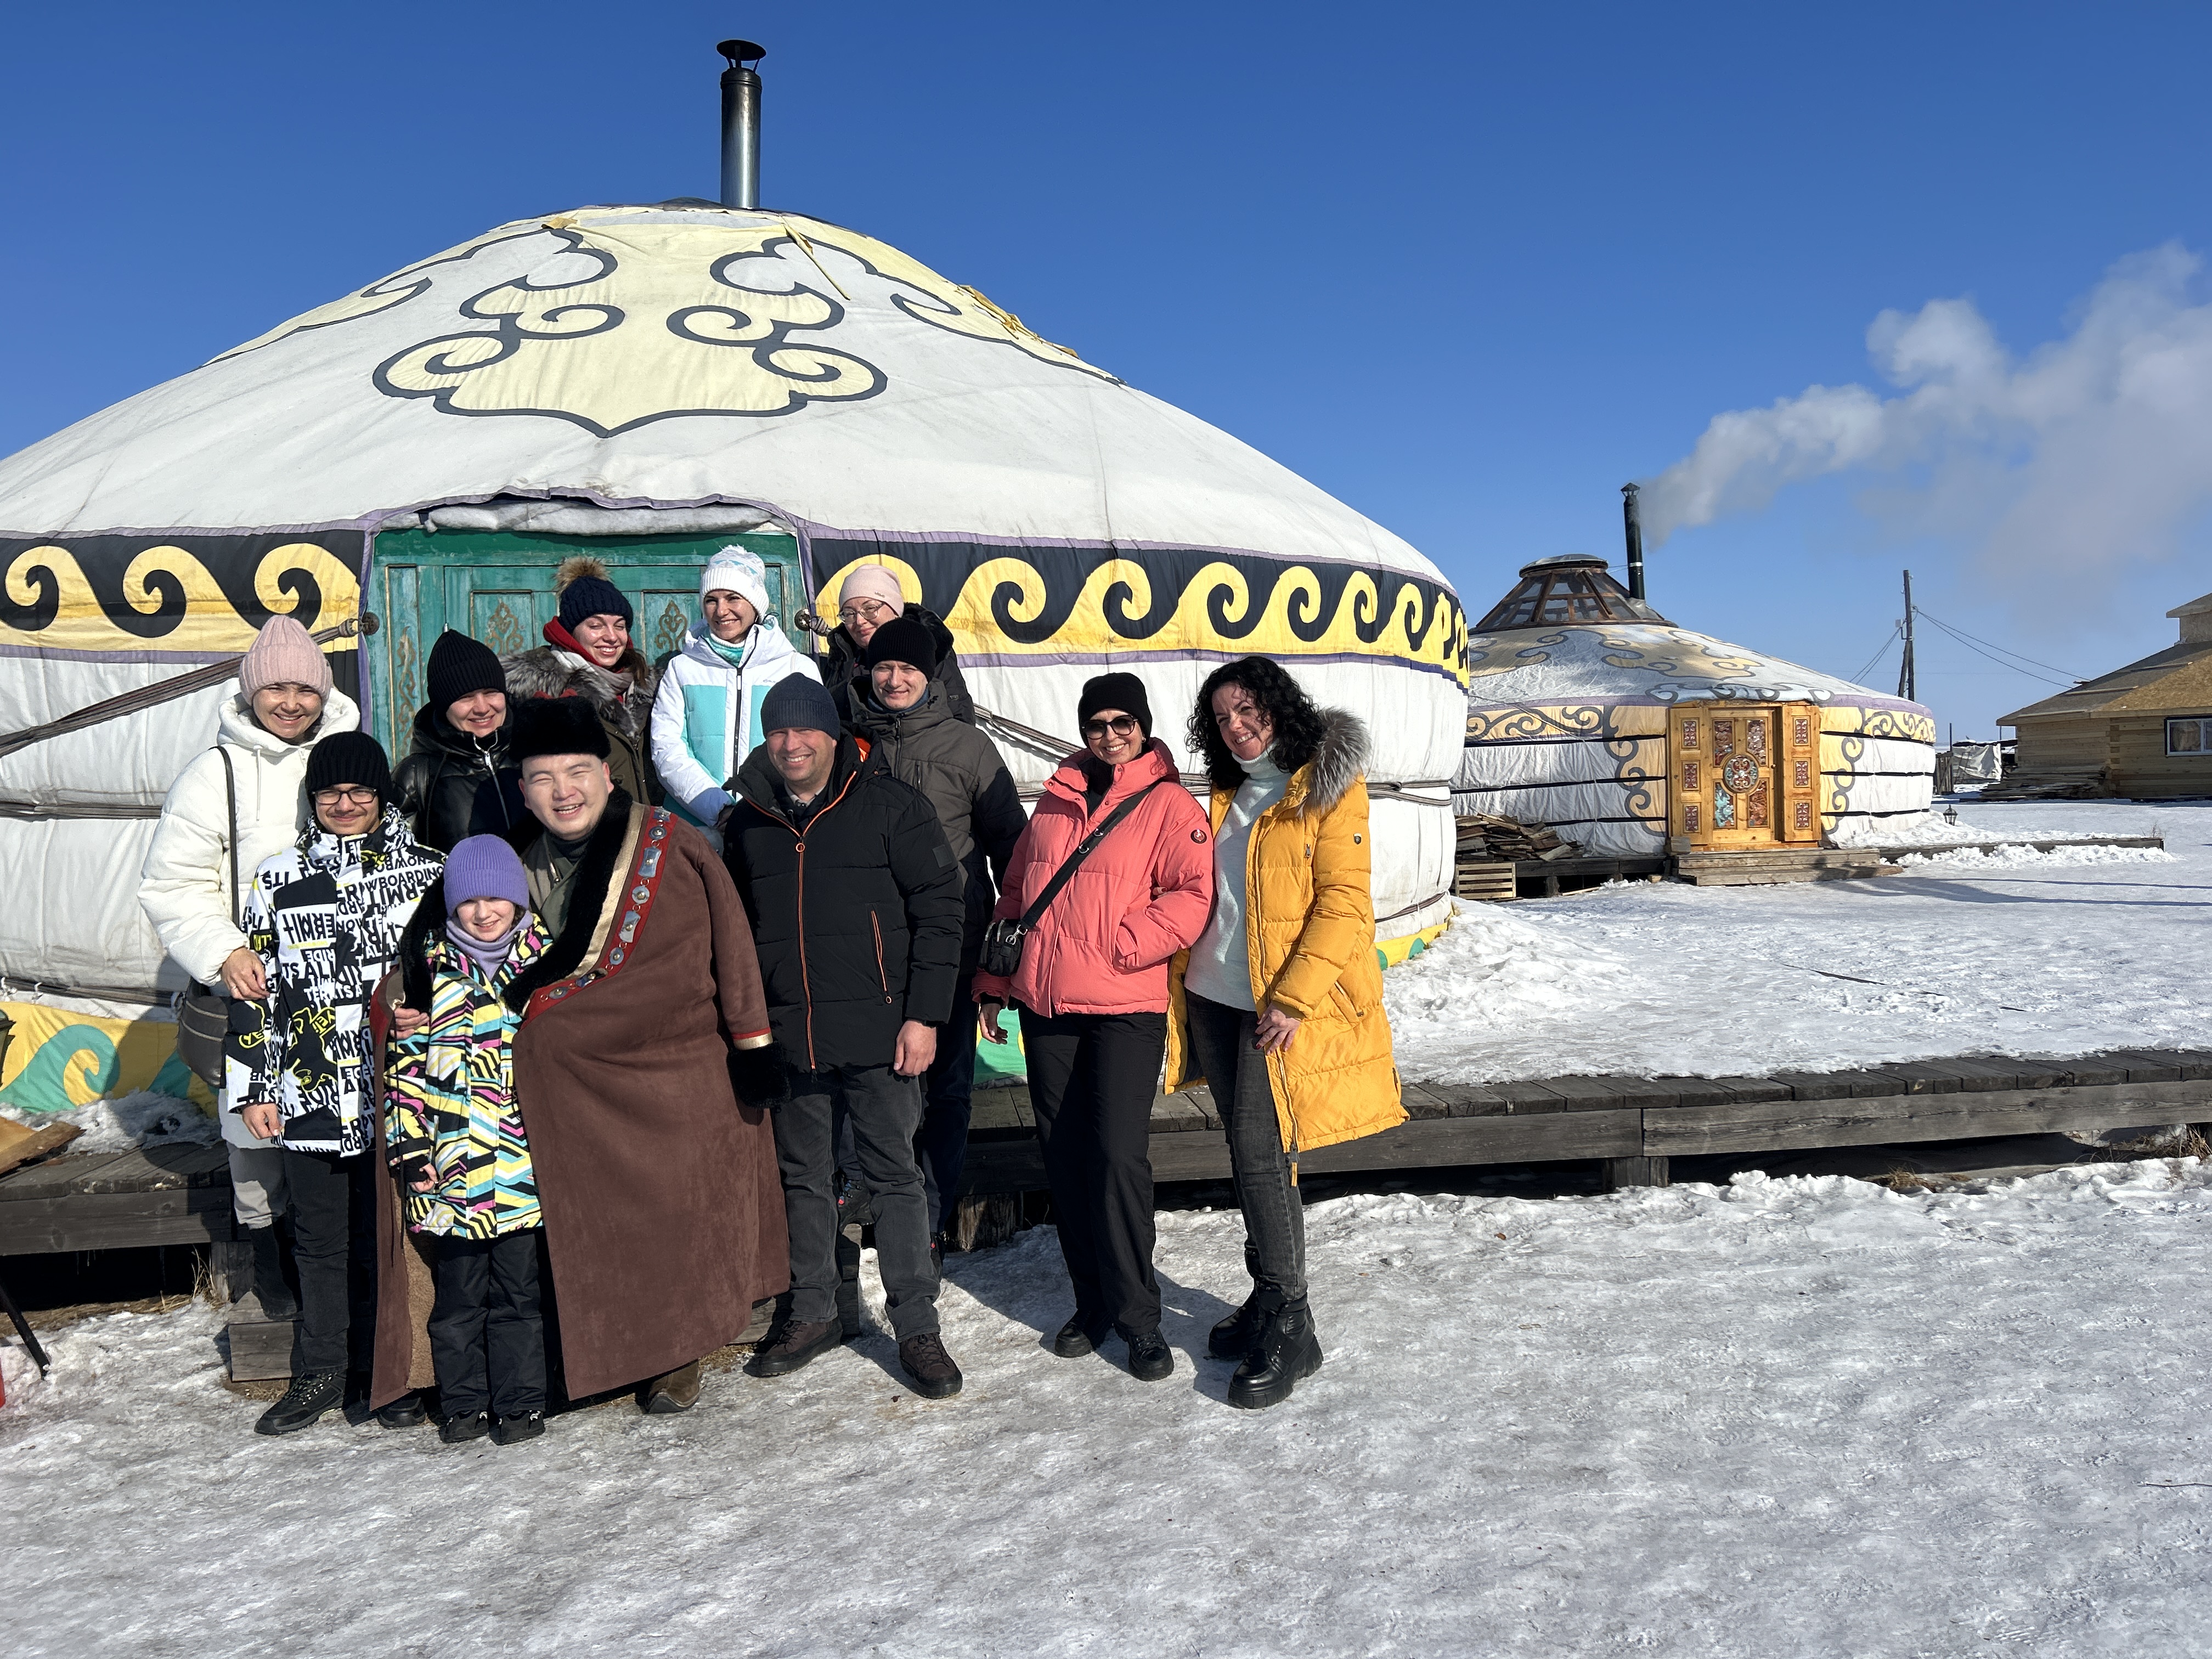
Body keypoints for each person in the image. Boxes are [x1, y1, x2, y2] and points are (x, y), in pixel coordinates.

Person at [373, 697, 787, 1419]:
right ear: (523, 788)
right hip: (552, 1086)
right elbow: (441, 951)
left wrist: (753, 1043)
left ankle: (672, 1352)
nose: (562, 791)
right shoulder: (509, 857)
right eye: (542, 777)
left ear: (606, 773)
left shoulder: (669, 842)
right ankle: (543, 1358)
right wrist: (405, 1002)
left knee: (668, 1204)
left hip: (666, 1068)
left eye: (576, 772)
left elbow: (731, 943)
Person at [1166, 658, 1405, 1410]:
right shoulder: (1226, 791)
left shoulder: (1325, 786)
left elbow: (1343, 904)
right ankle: (1269, 1296)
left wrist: (1294, 1000)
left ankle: (1293, 1321)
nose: (1237, 727)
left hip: (1274, 1008)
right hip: (1212, 995)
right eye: (1222, 718)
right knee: (1248, 1153)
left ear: (1279, 708)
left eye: (1249, 711)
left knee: (1265, 1157)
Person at [721, 675, 969, 1398]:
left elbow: (942, 911)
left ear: (833, 737)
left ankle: (916, 1325)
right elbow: (735, 935)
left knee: (894, 1177)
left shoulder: (892, 806)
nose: (791, 744)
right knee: (802, 1178)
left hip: (882, 1030)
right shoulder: (748, 822)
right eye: (778, 731)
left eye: (805, 730)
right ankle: (815, 1311)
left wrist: (924, 1016)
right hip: (790, 1032)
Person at [973, 672, 1211, 1383]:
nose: (1110, 736)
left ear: (1142, 726)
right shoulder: (1055, 796)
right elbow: (1017, 894)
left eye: (1122, 723)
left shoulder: (1169, 805)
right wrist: (993, 983)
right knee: (1067, 1156)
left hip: (1123, 1008)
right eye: (1097, 724)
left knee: (1116, 1157)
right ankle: (1093, 1303)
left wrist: (1124, 945)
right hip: (1047, 1005)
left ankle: (1140, 1317)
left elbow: (1195, 894)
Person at [140, 616, 361, 1334]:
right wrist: (226, 952)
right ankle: (269, 1258)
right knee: (255, 1139)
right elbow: (172, 884)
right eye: (276, 688)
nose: (291, 703)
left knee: (343, 1126)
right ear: (250, 692)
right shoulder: (216, 774)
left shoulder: (348, 757)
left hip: (337, 985)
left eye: (305, 688)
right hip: (255, 984)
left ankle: (340, 1266)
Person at [224, 731, 444, 1435]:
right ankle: (322, 1369)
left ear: (383, 796)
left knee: (392, 1238)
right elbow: (255, 996)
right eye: (329, 793)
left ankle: (393, 1370)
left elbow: (455, 977)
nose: (344, 805)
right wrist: (255, 1089)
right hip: (309, 1091)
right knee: (319, 1240)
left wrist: (429, 1015)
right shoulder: (276, 880)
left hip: (399, 1092)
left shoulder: (429, 874)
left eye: (359, 792)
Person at [847, 615, 1026, 1252]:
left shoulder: (968, 748)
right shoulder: (849, 745)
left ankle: (926, 1220)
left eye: (908, 669)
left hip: (953, 940)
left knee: (946, 1087)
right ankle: (882, 1204)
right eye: (884, 667)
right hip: (871, 944)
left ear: (930, 676)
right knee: (879, 1084)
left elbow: (1011, 847)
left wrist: (1007, 940)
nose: (894, 680)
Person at [386, 836, 553, 1447]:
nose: (484, 913)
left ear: (517, 900)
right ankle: (462, 1404)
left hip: (520, 1172)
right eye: (469, 901)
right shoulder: (427, 973)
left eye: (496, 899)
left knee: (519, 1297)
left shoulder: (545, 968)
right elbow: (404, 1073)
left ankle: (521, 1403)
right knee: (457, 1301)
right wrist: (410, 1151)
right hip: (450, 1172)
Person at [651, 544, 820, 848]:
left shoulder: (795, 668)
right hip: (693, 829)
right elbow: (667, 748)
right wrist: (719, 809)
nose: (721, 611)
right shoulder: (683, 669)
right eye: (711, 600)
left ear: (755, 604)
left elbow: (811, 748)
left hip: (773, 824)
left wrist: (761, 809)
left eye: (733, 598)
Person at [502, 556, 660, 804]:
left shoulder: (646, 684)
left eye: (620, 626)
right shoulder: (541, 691)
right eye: (596, 626)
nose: (612, 637)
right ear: (570, 632)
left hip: (649, 823)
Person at [391, 630, 526, 851]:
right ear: (444, 707)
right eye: (466, 697)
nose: (482, 708)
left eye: (491, 692)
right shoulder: (416, 777)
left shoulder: (534, 751)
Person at [818, 563, 976, 726]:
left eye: (870, 608)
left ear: (894, 610)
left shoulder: (931, 654)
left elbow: (960, 723)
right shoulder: (841, 659)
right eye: (849, 613)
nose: (859, 621)